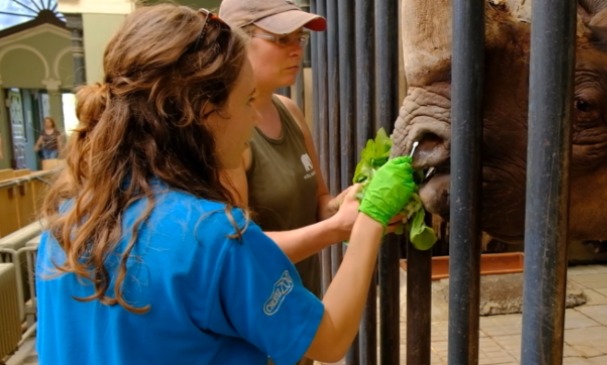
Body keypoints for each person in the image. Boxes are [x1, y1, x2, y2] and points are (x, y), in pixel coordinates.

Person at [35, 4, 416, 365]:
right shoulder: (213, 236)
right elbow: (329, 338)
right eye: (247, 100)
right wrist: (370, 219)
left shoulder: (66, 219)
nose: (253, 118)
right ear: (203, 112)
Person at [218, 0, 353, 326]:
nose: (296, 50)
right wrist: (336, 229)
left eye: (300, 39)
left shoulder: (288, 110)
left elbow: (319, 201)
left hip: (301, 307)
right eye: (281, 39)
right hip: (259, 324)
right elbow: (240, 249)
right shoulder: (227, 131)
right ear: (236, 41)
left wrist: (351, 205)